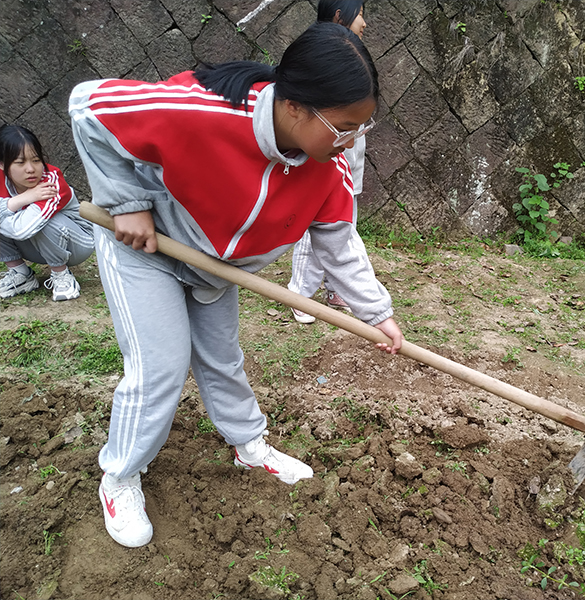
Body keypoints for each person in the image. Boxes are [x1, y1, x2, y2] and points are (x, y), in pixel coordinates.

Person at [68, 21, 403, 548]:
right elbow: (88, 106)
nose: (351, 140)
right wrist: (126, 203)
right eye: (344, 126)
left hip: (214, 269)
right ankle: (120, 474)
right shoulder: (201, 111)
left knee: (221, 358)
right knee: (162, 365)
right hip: (147, 248)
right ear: (295, 107)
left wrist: (375, 314)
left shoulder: (324, 165)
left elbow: (340, 242)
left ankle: (250, 445)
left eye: (362, 126)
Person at [288, 0, 368, 323]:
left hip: (348, 150)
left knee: (345, 219)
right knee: (323, 222)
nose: (365, 22)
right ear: (339, 15)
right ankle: (300, 295)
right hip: (327, 151)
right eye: (361, 14)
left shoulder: (352, 53)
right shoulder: (320, 53)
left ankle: (336, 289)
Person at [0, 125, 93, 301]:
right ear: (2, 164)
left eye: (36, 160)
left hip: (77, 245)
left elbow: (22, 230)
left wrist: (4, 210)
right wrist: (23, 198)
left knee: (45, 221)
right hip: (33, 246)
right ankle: (21, 274)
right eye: (20, 162)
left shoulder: (51, 182)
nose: (31, 169)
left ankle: (61, 275)